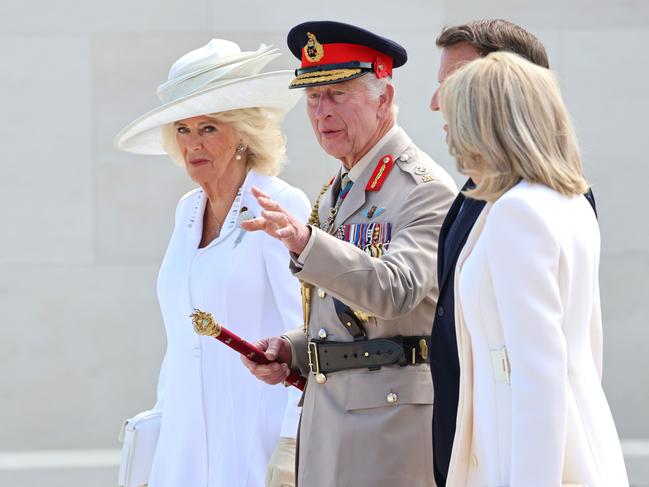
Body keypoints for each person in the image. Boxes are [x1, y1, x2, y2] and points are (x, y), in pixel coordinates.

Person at [241, 21, 457, 486]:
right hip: (328, 419)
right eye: (313, 98)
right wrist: (293, 349)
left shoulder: (423, 188)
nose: (322, 112)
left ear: (384, 96)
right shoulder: (340, 187)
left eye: (338, 93)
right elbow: (347, 317)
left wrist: (306, 241)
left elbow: (396, 292)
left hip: (388, 426)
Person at [114, 39, 310, 487]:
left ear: (242, 134)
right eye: (182, 130)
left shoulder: (277, 202)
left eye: (208, 128)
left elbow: (305, 330)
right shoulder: (186, 211)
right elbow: (180, 341)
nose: (192, 144)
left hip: (253, 441)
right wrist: (156, 442)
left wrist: (290, 447)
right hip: (182, 446)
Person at [439, 51, 628, 486]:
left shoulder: (518, 213)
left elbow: (538, 375)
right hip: (574, 437)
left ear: (485, 123)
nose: (448, 129)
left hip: (522, 453)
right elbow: (584, 351)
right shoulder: (568, 203)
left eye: (457, 114)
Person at [427, 20, 565, 485]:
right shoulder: (484, 193)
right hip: (475, 446)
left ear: (505, 90)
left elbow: (540, 378)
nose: (437, 102)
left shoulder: (522, 208)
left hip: (508, 454)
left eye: (457, 84)